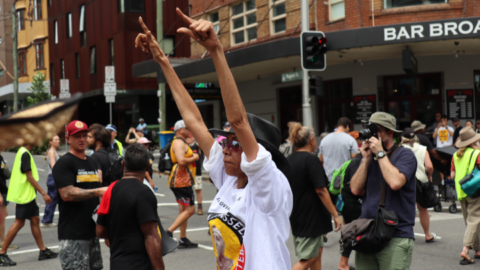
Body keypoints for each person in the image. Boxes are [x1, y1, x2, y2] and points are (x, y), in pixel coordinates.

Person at [135, 11, 293, 269]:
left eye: (235, 143)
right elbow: (195, 121)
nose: (225, 148)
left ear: (258, 153)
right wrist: (162, 60)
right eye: (225, 141)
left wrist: (216, 50)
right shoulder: (228, 179)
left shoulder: (269, 186)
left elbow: (239, 121)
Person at [350, 112, 417, 270]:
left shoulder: (405, 155)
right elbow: (355, 189)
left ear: (390, 132)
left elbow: (395, 182)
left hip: (396, 235)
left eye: (377, 129)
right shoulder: (370, 157)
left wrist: (380, 153)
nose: (372, 134)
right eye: (370, 129)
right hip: (368, 232)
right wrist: (365, 159)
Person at [96, 144, 165, 270]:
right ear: (148, 167)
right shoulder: (144, 193)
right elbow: (151, 236)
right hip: (139, 264)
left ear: (122, 165)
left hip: (117, 263)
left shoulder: (111, 189)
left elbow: (100, 231)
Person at [52, 120, 108, 270]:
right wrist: (98, 191)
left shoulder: (91, 162)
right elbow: (67, 194)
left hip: (92, 232)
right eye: (77, 136)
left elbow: (96, 198)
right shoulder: (64, 163)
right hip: (73, 235)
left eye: (85, 135)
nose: (82, 139)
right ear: (68, 138)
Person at [286, 123, 341, 270]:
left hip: (297, 214)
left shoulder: (289, 160)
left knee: (316, 253)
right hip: (311, 216)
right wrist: (335, 214)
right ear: (311, 140)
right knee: (309, 258)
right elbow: (321, 190)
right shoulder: (310, 160)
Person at [0, 145, 58, 266]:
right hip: (25, 195)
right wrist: (43, 193)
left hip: (28, 194)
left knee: (35, 219)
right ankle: (2, 253)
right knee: (19, 222)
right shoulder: (25, 153)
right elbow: (29, 177)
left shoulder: (21, 152)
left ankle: (43, 251)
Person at [165, 119, 199, 248]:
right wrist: (195, 157)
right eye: (187, 128)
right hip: (181, 181)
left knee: (183, 210)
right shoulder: (179, 143)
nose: (189, 130)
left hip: (181, 180)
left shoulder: (180, 142)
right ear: (180, 130)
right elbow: (181, 161)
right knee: (190, 209)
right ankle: (168, 232)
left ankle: (183, 238)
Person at [401, 128, 438, 243]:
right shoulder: (423, 149)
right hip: (421, 181)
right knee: (423, 209)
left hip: (405, 180)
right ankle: (427, 234)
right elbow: (429, 166)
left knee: (404, 208)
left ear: (403, 139)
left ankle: (404, 234)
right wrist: (429, 176)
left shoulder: (400, 149)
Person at [450, 127, 480, 265]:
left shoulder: (455, 155)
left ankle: (478, 249)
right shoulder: (477, 153)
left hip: (461, 191)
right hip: (475, 191)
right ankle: (466, 250)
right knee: (474, 220)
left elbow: (453, 175)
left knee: (470, 222)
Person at [319, 117, 358, 182]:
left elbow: (321, 159)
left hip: (328, 179)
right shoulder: (351, 140)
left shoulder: (324, 140)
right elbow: (354, 159)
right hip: (344, 179)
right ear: (347, 126)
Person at [41, 135, 60, 228]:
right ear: (50, 142)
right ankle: (46, 220)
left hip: (54, 177)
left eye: (58, 139)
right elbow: (54, 166)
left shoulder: (54, 151)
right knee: (52, 199)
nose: (58, 141)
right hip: (53, 177)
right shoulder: (52, 152)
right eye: (56, 140)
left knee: (56, 199)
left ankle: (48, 220)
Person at [0, 153, 18, 251]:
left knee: (5, 214)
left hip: (3, 190)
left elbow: (5, 173)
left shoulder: (0, 157)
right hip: (1, 192)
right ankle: (3, 242)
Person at [188, 136, 205, 215]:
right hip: (187, 172)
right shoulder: (184, 146)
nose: (188, 139)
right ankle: (189, 207)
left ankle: (200, 206)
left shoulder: (197, 146)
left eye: (189, 137)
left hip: (197, 171)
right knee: (188, 191)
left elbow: (203, 143)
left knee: (198, 189)